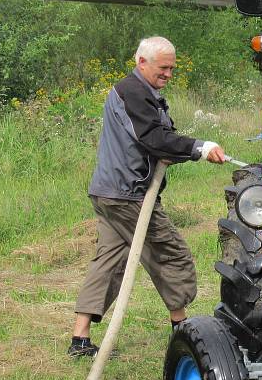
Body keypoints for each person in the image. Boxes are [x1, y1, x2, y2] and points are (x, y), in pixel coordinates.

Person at [68, 36, 226, 358]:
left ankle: (79, 339)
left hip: (110, 192)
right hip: (128, 195)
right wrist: (200, 148)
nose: (168, 74)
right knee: (171, 253)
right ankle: (182, 330)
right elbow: (153, 138)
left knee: (110, 260)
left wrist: (181, 151)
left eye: (172, 68)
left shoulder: (142, 93)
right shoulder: (133, 93)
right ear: (142, 62)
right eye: (163, 67)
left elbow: (159, 141)